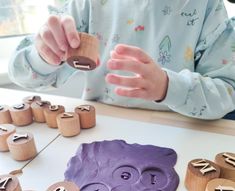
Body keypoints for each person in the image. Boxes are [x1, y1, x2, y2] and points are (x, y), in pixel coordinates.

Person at [8, 0, 235, 120]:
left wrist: (168, 87)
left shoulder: (208, 7)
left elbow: (227, 92)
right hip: (100, 129)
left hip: (182, 133)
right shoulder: (87, 4)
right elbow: (21, 74)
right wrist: (44, 56)